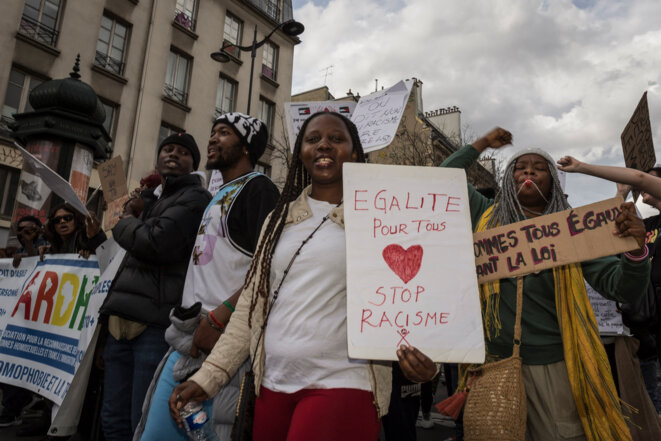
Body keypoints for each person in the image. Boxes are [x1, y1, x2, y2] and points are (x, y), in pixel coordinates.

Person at [167, 111, 436, 441]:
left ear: (354, 153)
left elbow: (411, 292)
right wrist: (209, 377)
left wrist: (428, 354)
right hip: (272, 387)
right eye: (313, 139)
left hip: (345, 383)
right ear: (301, 154)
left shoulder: (383, 218)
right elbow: (251, 306)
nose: (323, 144)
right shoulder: (278, 220)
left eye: (336, 138)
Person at [439, 128, 650, 441]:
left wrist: (635, 252)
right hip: (493, 366)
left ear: (552, 180)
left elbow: (621, 288)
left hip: (554, 366)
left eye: (538, 168)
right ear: (509, 181)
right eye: (520, 168)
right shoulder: (484, 216)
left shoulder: (573, 229)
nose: (528, 172)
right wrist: (482, 143)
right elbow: (444, 179)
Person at [135, 113, 279, 441]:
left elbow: (268, 268)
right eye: (212, 132)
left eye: (224, 133)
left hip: (223, 337)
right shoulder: (220, 193)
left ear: (246, 147)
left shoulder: (259, 190)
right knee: (155, 432)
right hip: (189, 335)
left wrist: (219, 317)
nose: (212, 139)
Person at [99, 132, 211, 441]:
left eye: (183, 152)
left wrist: (124, 221)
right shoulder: (151, 199)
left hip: (153, 326)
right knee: (112, 417)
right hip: (120, 321)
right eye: (167, 149)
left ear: (193, 164)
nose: (173, 154)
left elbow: (156, 242)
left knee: (141, 419)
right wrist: (142, 207)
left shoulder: (195, 198)